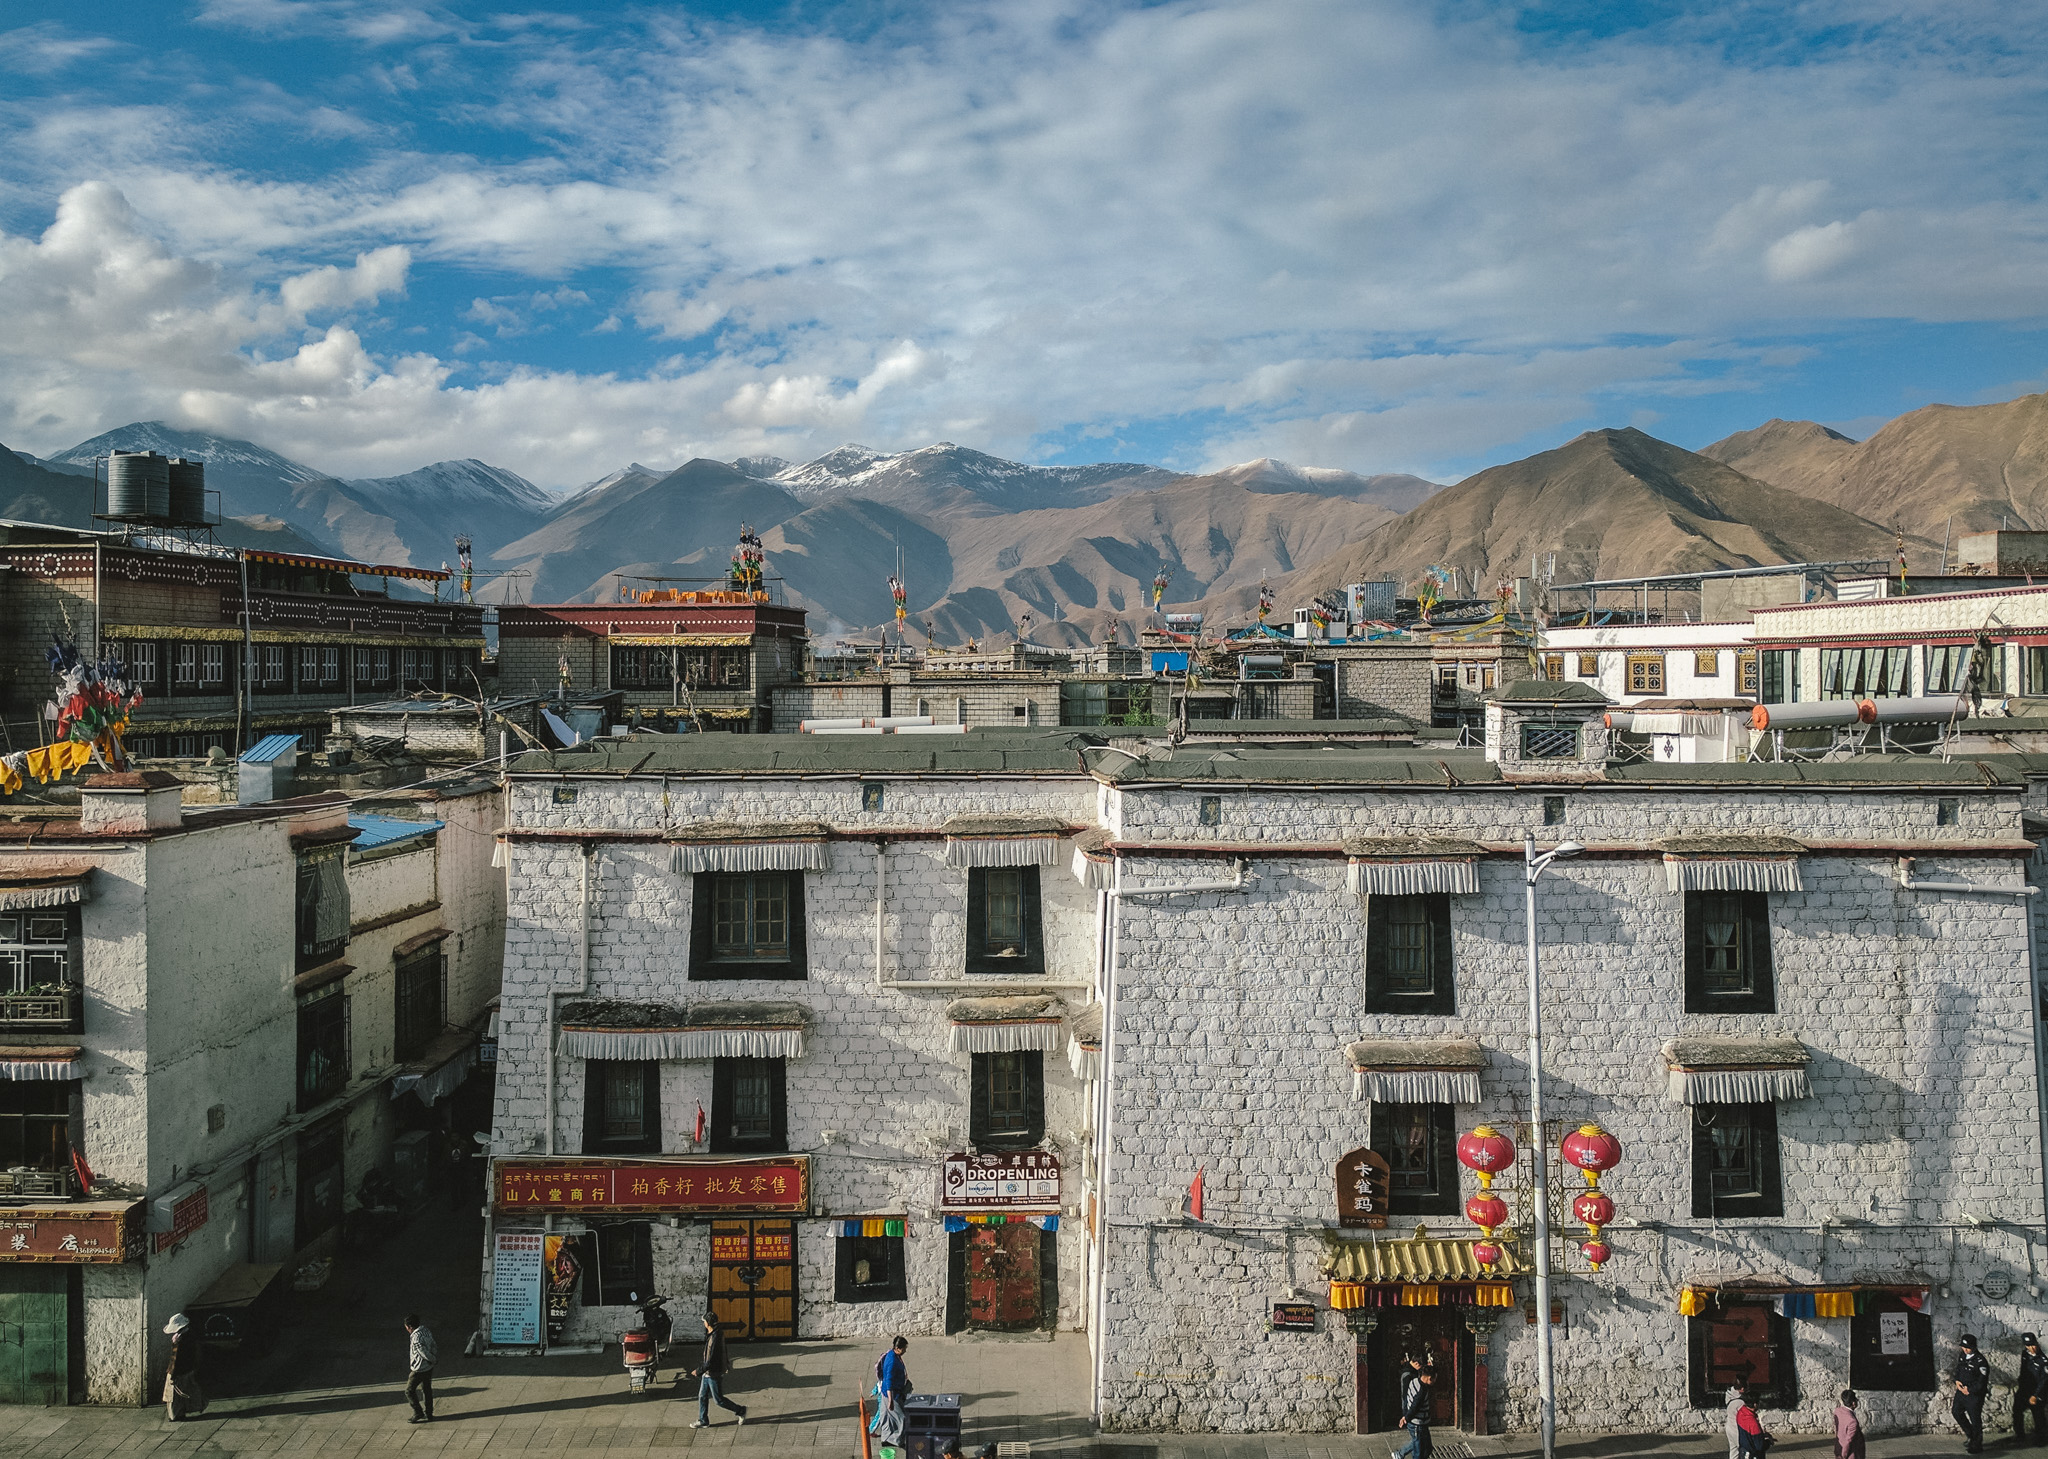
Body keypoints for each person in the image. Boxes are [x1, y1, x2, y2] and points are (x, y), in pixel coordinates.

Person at [690, 1313, 747, 1428]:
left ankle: (740, 1410)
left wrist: (698, 1370)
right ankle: (703, 1420)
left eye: (704, 1321)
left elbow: (711, 1360)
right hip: (708, 1373)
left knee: (718, 1400)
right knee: (702, 1396)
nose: (703, 1323)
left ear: (708, 1323)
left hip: (713, 1373)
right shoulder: (713, 1334)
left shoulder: (715, 1337)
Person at [163, 1313, 205, 1422]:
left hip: (178, 1371)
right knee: (183, 1392)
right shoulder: (191, 1335)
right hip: (187, 1369)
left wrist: (173, 1374)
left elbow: (177, 1358)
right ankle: (181, 1413)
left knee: (172, 1396)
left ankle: (174, 1415)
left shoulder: (180, 1340)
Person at [1391, 1351, 1433, 1459]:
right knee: (1418, 1444)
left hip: (1415, 1416)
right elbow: (1408, 1398)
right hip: (1413, 1416)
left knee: (1420, 1442)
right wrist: (1406, 1415)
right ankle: (1399, 1454)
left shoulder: (1413, 1373)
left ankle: (1399, 1454)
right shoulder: (1408, 1375)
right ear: (1417, 1364)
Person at [1954, 1333, 1991, 1453]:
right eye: (1963, 1347)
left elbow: (1981, 1382)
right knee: (1956, 1412)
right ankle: (1971, 1435)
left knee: (1975, 1419)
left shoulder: (1981, 1362)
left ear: (1974, 1347)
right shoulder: (1962, 1356)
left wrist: (1969, 1390)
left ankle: (1977, 1444)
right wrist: (1957, 1381)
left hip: (1974, 1395)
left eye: (1967, 1347)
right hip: (1961, 1392)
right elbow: (1959, 1369)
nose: (1965, 1349)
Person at [873, 1336, 912, 1443]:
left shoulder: (891, 1354)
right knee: (902, 1418)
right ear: (898, 1348)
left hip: (887, 1392)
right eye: (904, 1348)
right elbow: (889, 1381)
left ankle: (885, 1438)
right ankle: (896, 1440)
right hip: (892, 1394)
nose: (905, 1350)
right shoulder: (892, 1362)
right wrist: (891, 1400)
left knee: (885, 1417)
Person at [404, 1314, 436, 1424]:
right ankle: (429, 1413)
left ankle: (418, 1412)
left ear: (410, 1326)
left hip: (419, 1368)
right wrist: (433, 1359)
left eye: (406, 1327)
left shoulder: (416, 1337)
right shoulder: (426, 1331)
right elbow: (433, 1344)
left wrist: (431, 1358)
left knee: (409, 1390)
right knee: (427, 1390)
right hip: (428, 1367)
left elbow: (422, 1351)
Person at [2020, 1333, 2048, 1446]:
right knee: (2017, 1411)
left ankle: (2042, 1438)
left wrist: (2035, 1395)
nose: (2032, 1348)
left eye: (2034, 1345)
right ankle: (2020, 1435)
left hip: (2038, 1392)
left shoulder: (2043, 1360)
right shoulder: (2025, 1355)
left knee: (2038, 1416)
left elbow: (2044, 1380)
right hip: (2026, 1390)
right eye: (2029, 1345)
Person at [1733, 1389, 1772, 1457]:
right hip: (1754, 1454)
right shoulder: (1753, 1423)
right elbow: (1759, 1446)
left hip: (1744, 1451)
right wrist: (1768, 1442)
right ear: (1755, 1404)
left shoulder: (1740, 1413)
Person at [1835, 1389, 1866, 1459]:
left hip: (1839, 1448)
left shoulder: (1838, 1411)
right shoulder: (1852, 1422)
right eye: (1856, 1399)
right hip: (1851, 1454)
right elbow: (1848, 1441)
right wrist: (1843, 1455)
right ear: (1853, 1403)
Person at [1725, 1382, 1748, 1459]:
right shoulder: (1741, 1402)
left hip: (1729, 1426)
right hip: (1737, 1428)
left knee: (1733, 1450)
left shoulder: (1728, 1394)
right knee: (1745, 1450)